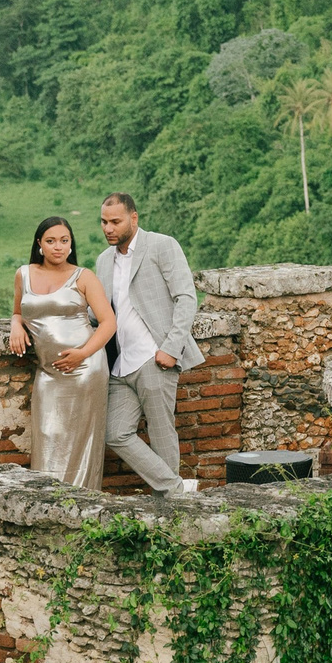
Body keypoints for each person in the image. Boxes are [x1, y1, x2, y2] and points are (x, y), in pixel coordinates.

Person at [94, 192, 203, 494]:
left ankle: (172, 510)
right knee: (114, 433)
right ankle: (178, 490)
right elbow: (98, 314)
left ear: (133, 217)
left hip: (155, 357)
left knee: (161, 433)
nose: (108, 228)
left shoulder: (162, 245)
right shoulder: (103, 261)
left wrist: (171, 347)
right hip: (120, 363)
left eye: (115, 221)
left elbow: (186, 297)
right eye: (103, 222)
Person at [7, 216, 116, 489]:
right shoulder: (24, 274)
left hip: (85, 369)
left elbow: (108, 323)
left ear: (71, 244)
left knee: (82, 441)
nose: (59, 247)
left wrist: (82, 354)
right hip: (48, 372)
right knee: (48, 434)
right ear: (39, 244)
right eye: (51, 241)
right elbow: (18, 311)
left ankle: (84, 506)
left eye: (64, 241)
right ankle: (47, 504)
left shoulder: (84, 276)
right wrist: (15, 325)